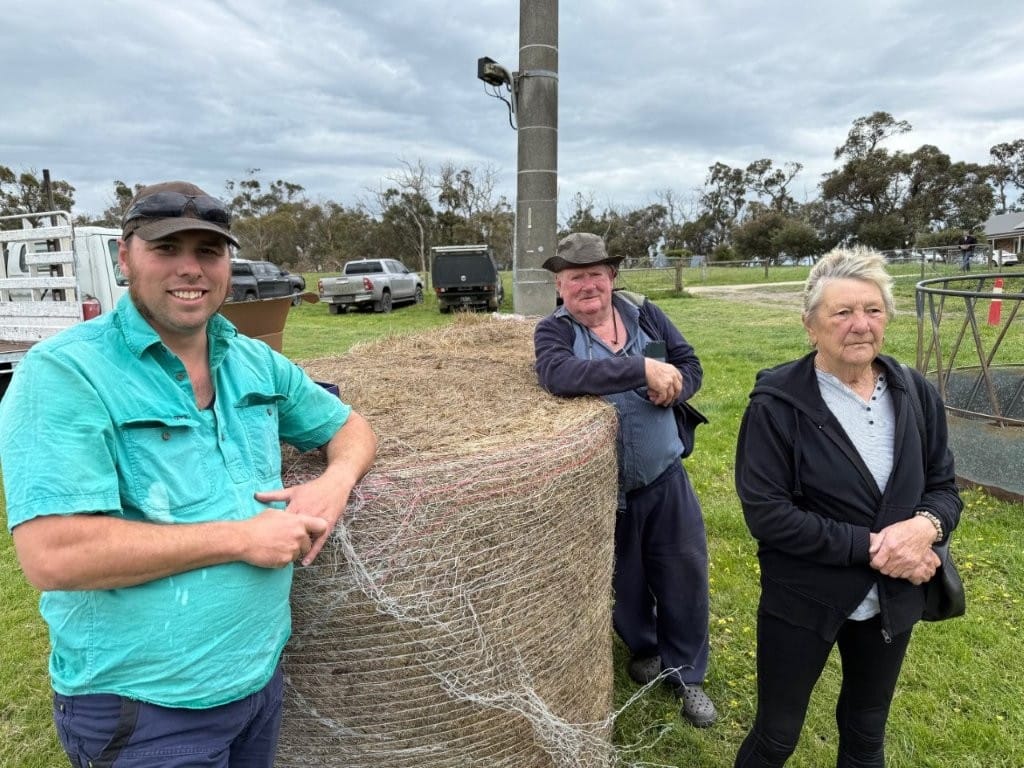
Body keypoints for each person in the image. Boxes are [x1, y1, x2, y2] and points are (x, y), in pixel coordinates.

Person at [0, 181, 377, 767]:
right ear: (124, 259)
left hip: (257, 683)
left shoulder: (250, 358)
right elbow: (53, 555)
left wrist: (336, 481)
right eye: (166, 248)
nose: (190, 269)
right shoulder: (65, 374)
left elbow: (350, 427)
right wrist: (242, 536)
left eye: (208, 251)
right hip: (146, 709)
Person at [733, 246, 962, 767]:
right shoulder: (777, 405)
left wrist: (925, 528)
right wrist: (880, 547)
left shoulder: (916, 393)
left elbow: (944, 488)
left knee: (866, 732)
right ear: (811, 326)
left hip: (893, 597)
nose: (861, 325)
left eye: (873, 311)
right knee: (777, 734)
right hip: (804, 597)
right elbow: (767, 513)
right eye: (842, 313)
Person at [533, 232, 716, 727]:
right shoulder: (554, 331)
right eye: (575, 277)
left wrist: (674, 387)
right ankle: (644, 647)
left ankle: (687, 672)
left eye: (596, 274)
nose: (587, 285)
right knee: (626, 577)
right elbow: (559, 376)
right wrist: (641, 369)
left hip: (664, 471)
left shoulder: (643, 312)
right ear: (560, 284)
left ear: (611, 277)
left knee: (684, 571)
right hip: (604, 489)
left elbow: (690, 364)